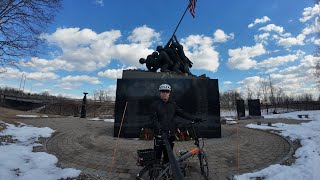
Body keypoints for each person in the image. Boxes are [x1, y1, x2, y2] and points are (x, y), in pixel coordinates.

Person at [150, 84, 201, 163]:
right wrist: (159, 129)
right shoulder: (155, 105)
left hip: (171, 135)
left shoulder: (173, 104)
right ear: (160, 93)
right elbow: (154, 119)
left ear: (169, 93)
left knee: (168, 156)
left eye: (167, 91)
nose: (165, 93)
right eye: (163, 91)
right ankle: (154, 173)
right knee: (157, 156)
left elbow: (182, 113)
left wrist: (194, 118)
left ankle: (166, 174)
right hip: (160, 135)